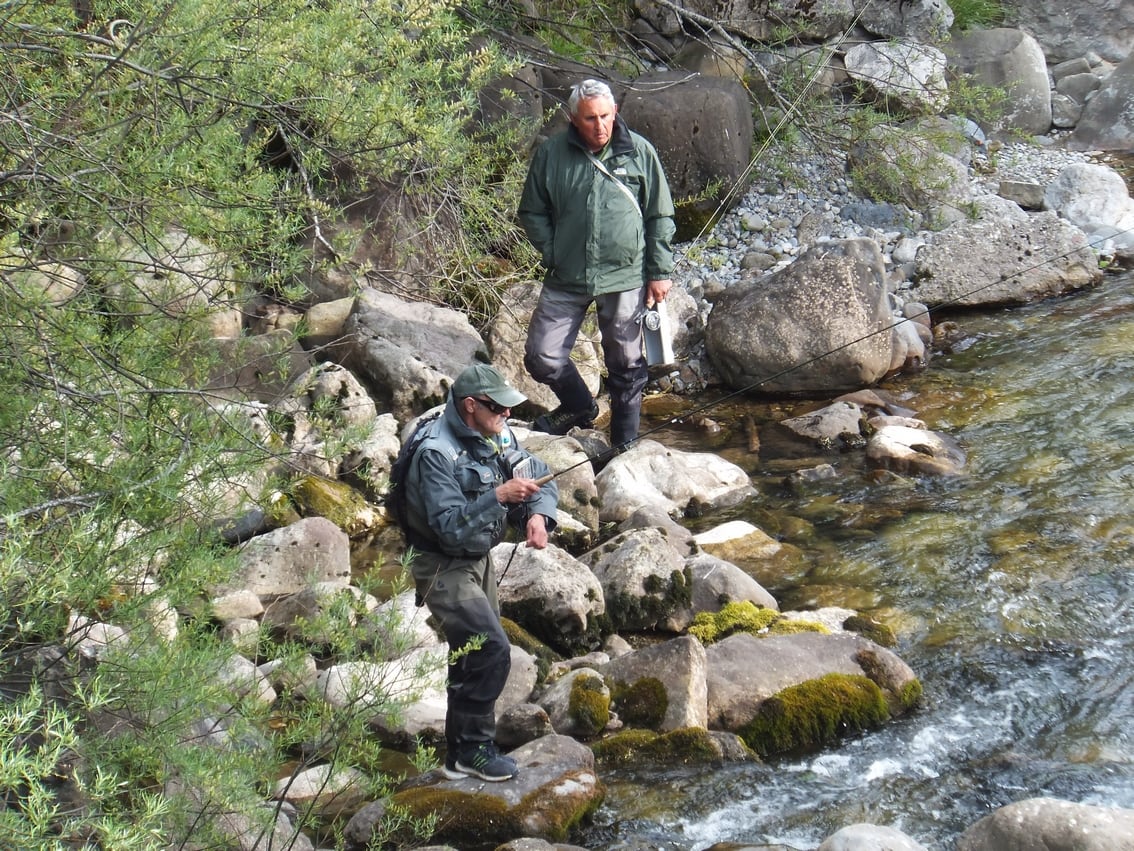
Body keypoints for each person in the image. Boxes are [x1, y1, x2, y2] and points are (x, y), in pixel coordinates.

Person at [402, 363, 558, 782]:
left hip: (478, 559)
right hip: (440, 564)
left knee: (469, 654)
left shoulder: (498, 434)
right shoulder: (436, 453)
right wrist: (499, 496)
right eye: (499, 408)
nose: (507, 415)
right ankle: (473, 750)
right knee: (490, 650)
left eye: (508, 409)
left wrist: (537, 516)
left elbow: (540, 476)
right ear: (471, 406)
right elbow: (449, 524)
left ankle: (459, 754)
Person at [518, 78, 676, 450]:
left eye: (605, 116)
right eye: (590, 119)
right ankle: (579, 406)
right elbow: (532, 211)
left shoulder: (639, 152)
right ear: (574, 118)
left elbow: (661, 216)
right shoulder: (551, 154)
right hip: (567, 275)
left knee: (625, 363)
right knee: (542, 356)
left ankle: (624, 444)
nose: (600, 125)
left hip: (626, 275)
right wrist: (553, 251)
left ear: (615, 113)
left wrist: (659, 272)